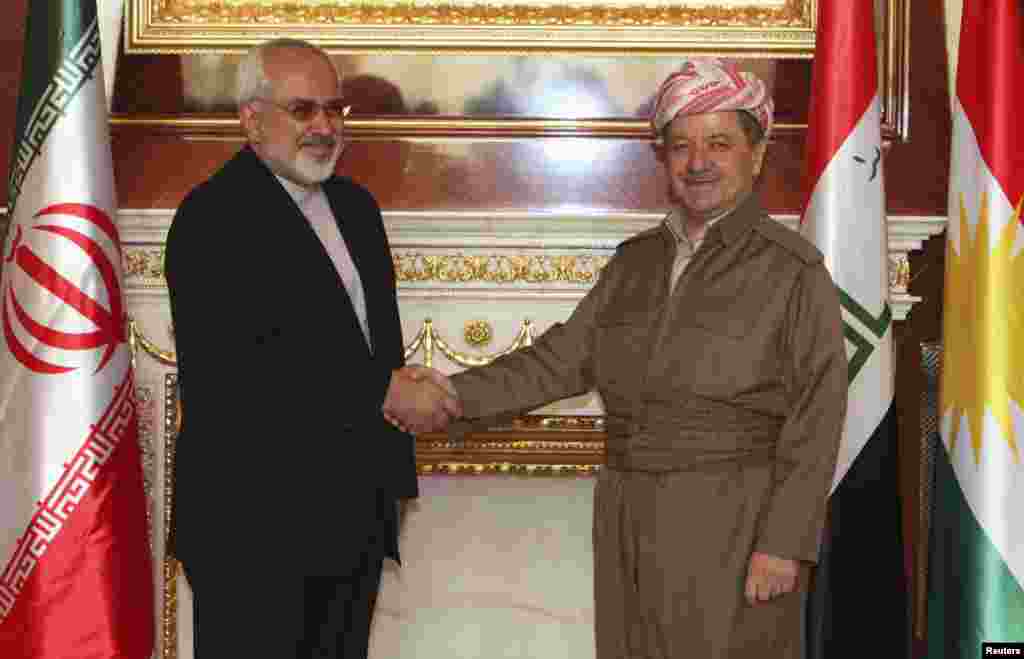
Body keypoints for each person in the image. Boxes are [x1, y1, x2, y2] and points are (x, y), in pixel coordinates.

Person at [385, 58, 847, 658]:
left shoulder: (793, 270)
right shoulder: (635, 263)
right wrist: (450, 395)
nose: (697, 162)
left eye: (718, 143)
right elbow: (557, 361)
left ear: (755, 154)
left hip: (733, 521)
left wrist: (783, 544)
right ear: (664, 160)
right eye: (680, 145)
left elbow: (818, 416)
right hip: (628, 513)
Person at [164, 38, 458, 658]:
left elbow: (375, 346)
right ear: (251, 118)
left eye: (334, 109)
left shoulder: (356, 209)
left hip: (351, 521)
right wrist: (386, 391)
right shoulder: (210, 219)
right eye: (303, 110)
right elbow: (240, 373)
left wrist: (392, 470)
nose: (324, 127)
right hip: (252, 531)